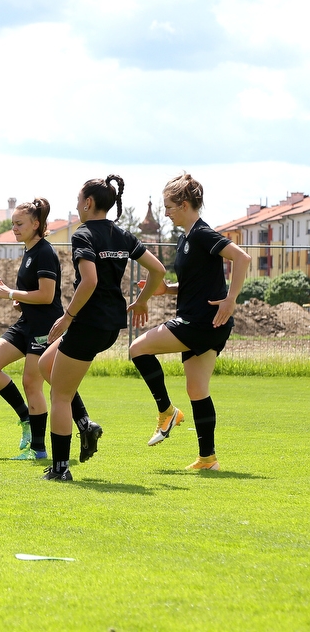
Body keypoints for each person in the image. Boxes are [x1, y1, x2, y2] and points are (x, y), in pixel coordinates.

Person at [38, 175, 166, 481]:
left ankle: (59, 469)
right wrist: (142, 300)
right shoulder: (121, 234)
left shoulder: (83, 234)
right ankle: (85, 426)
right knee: (46, 366)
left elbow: (90, 281)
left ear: (88, 203)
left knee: (59, 395)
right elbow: (158, 270)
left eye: (78, 200)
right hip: (109, 323)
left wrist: (67, 316)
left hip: (89, 321)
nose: (77, 205)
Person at [129, 173, 250, 470]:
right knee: (198, 390)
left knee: (137, 348)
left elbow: (242, 258)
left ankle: (167, 412)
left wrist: (231, 298)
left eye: (169, 206)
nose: (166, 212)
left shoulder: (201, 233)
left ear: (184, 205)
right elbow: (198, 283)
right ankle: (208, 459)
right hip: (208, 323)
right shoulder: (186, 238)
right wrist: (166, 289)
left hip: (200, 322)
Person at [0, 198, 61, 460]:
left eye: (19, 223)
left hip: (44, 327)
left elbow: (47, 296)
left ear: (36, 224)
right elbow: (33, 294)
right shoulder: (28, 250)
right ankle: (26, 417)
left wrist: (11, 293)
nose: (14, 228)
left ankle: (38, 450)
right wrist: (18, 300)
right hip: (26, 322)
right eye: (13, 223)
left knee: (31, 383)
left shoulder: (45, 252)